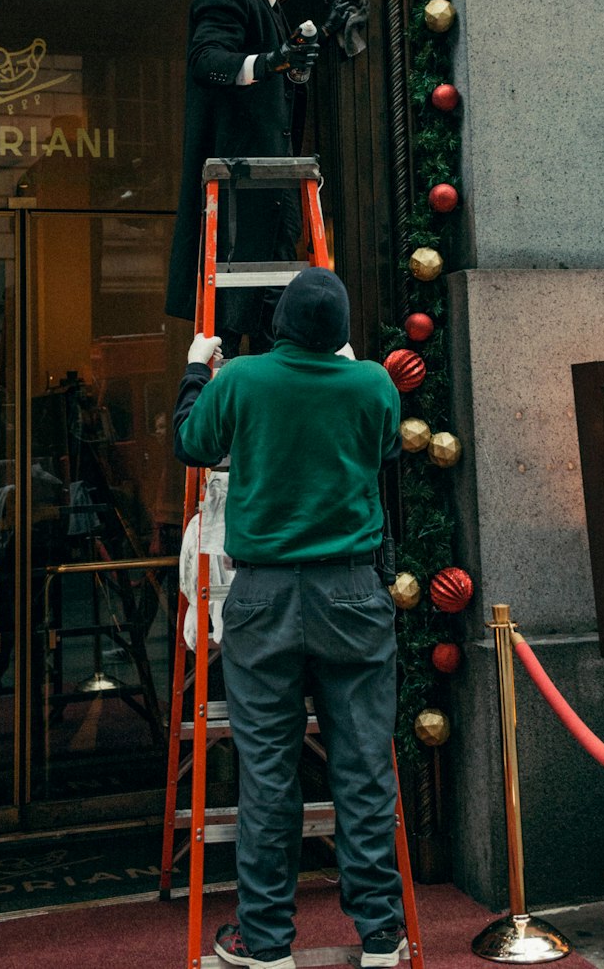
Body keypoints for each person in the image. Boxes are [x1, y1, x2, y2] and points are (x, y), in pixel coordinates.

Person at [173, 267, 407, 969]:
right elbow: (386, 448)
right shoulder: (372, 384)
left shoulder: (240, 379)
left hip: (263, 594)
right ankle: (380, 936)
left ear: (279, 325)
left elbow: (193, 442)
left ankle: (267, 941)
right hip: (351, 592)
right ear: (340, 331)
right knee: (365, 769)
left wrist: (195, 371)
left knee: (268, 774)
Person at [165, 0, 366, 355]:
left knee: (270, 304)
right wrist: (273, 60)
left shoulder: (270, 2)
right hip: (241, 179)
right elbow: (207, 62)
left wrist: (298, 61)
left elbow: (278, 87)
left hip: (271, 176)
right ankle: (231, 399)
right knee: (236, 310)